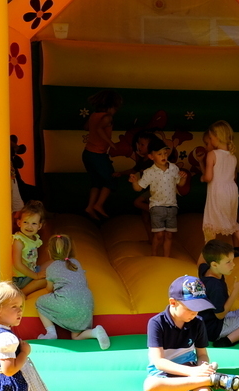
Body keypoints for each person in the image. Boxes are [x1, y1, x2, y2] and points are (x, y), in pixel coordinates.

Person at [35, 234, 110, 349]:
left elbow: (49, 289)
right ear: (71, 250)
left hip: (68, 302)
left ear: (49, 252)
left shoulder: (51, 268)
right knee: (76, 336)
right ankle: (95, 332)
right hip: (86, 303)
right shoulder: (76, 263)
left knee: (39, 303)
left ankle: (51, 332)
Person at [198, 239, 239, 348]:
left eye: (232, 260)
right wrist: (236, 290)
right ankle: (227, 340)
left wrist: (208, 239)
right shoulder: (215, 286)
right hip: (214, 329)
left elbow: (200, 263)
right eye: (228, 262)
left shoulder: (206, 270)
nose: (233, 265)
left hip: (212, 321)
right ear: (214, 264)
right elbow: (220, 315)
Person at [129, 137, 188, 258]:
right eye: (159, 154)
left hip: (171, 206)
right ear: (151, 156)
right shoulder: (149, 172)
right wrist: (134, 182)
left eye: (165, 153)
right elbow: (139, 187)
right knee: (159, 234)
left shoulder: (173, 168)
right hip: (157, 207)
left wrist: (183, 178)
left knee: (169, 235)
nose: (163, 156)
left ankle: (166, 257)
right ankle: (154, 255)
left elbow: (180, 184)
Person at [201, 121, 239, 254]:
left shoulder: (212, 154)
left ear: (217, 137)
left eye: (210, 137)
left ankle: (209, 251)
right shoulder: (232, 156)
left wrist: (202, 178)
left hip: (218, 191)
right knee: (233, 221)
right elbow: (233, 176)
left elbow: (209, 177)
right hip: (232, 191)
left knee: (211, 221)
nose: (210, 140)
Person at [83, 89, 123, 220]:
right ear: (111, 106)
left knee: (96, 182)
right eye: (115, 108)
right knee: (111, 179)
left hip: (87, 154)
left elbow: (87, 127)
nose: (115, 111)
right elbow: (99, 129)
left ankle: (90, 206)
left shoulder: (94, 115)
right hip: (97, 155)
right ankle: (98, 205)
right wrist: (111, 143)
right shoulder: (107, 117)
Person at [12, 200, 47, 296]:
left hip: (32, 270)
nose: (29, 226)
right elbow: (17, 264)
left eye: (34, 223)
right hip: (20, 278)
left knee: (54, 262)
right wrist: (36, 276)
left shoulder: (34, 238)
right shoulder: (19, 241)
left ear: (39, 226)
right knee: (47, 279)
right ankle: (23, 293)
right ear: (19, 223)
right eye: (25, 222)